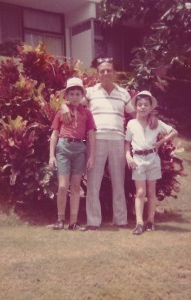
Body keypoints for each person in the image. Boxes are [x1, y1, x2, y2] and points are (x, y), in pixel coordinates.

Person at [62, 58, 157, 230]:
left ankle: (120, 220)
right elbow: (73, 102)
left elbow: (137, 111)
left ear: (114, 73)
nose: (105, 73)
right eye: (102, 71)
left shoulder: (124, 93)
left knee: (118, 182)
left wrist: (152, 116)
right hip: (96, 140)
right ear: (97, 74)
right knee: (93, 183)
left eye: (109, 70)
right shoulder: (90, 92)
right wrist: (63, 107)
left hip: (118, 140)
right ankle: (93, 221)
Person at [125, 90, 178, 235]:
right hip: (138, 161)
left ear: (150, 107)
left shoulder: (156, 123)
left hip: (153, 160)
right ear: (136, 106)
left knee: (151, 191)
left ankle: (150, 221)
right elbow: (127, 143)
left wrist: (161, 141)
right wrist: (128, 156)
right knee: (140, 192)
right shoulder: (131, 124)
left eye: (145, 105)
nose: (142, 107)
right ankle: (139, 223)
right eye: (140, 105)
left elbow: (174, 131)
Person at [49, 77, 96, 230]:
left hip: (79, 150)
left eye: (78, 94)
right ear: (67, 96)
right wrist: (51, 156)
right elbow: (54, 135)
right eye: (72, 94)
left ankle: (73, 222)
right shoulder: (61, 112)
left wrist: (91, 156)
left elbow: (91, 136)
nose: (75, 97)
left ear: (82, 96)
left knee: (76, 187)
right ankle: (60, 219)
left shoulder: (87, 113)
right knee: (63, 186)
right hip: (64, 147)